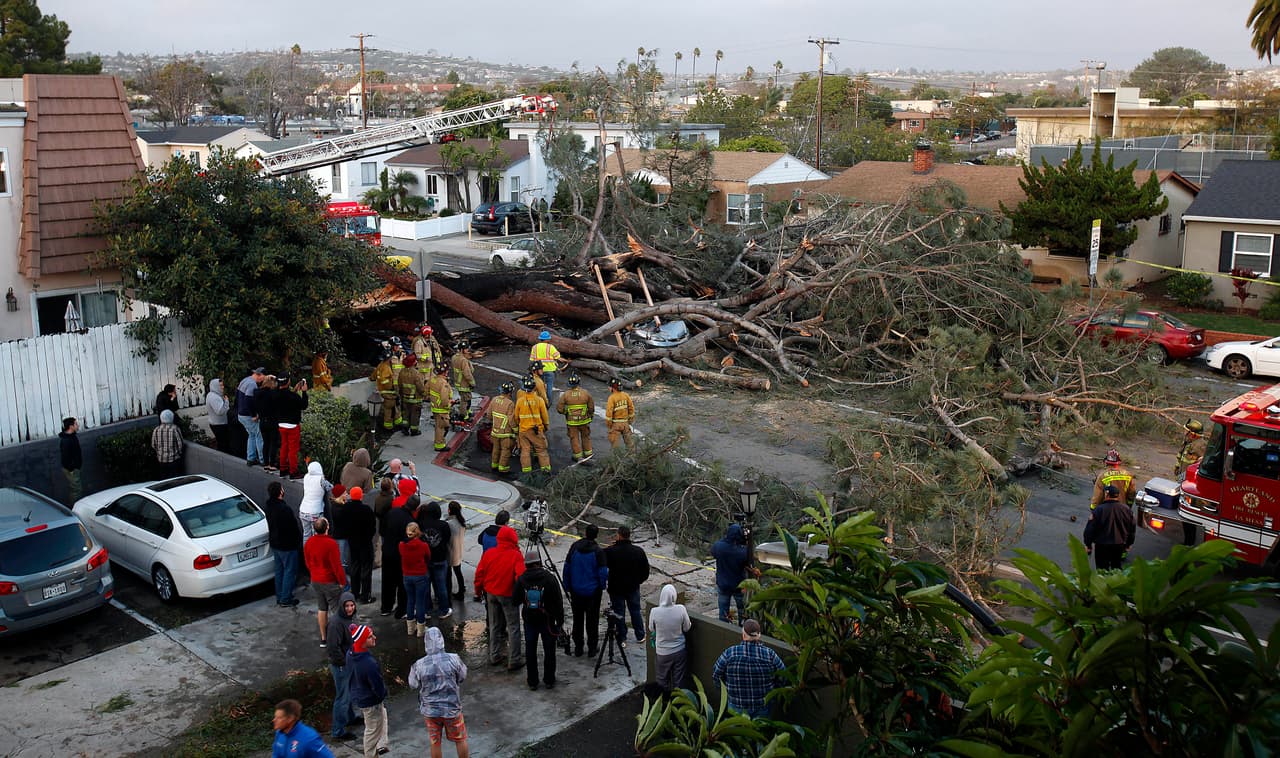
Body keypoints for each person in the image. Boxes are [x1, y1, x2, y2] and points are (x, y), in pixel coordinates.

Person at [409, 626, 471, 758]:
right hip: (452, 709)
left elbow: (413, 684)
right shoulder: (454, 659)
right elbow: (462, 676)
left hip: (430, 711)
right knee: (460, 739)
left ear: (426, 642)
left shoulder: (418, 665)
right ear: (441, 640)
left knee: (435, 743)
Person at [473, 525, 525, 669]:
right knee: (513, 627)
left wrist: (478, 591)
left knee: (494, 626)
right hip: (508, 595)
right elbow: (521, 577)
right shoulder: (516, 555)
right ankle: (514, 659)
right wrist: (522, 596)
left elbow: (479, 574)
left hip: (491, 594)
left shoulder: (489, 553)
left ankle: (494, 655)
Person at [712, 618, 785, 718]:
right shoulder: (770, 654)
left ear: (743, 635)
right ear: (759, 636)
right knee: (761, 728)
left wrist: (726, 691)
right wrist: (773, 691)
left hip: (736, 705)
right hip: (762, 706)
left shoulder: (730, 653)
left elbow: (716, 675)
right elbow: (783, 675)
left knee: (737, 728)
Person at [515, 548, 564, 691]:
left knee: (530, 651)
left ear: (526, 564)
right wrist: (560, 621)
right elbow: (558, 601)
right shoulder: (550, 578)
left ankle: (532, 682)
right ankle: (549, 680)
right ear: (539, 562)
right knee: (549, 651)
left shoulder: (521, 579)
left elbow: (515, 600)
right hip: (548, 620)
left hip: (529, 620)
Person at [562, 523, 608, 657]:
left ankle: (578, 647)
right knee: (592, 620)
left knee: (577, 619)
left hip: (576, 590)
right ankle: (592, 648)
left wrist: (567, 585)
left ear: (585, 533)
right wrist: (602, 586)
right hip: (592, 591)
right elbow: (603, 572)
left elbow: (567, 567)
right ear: (596, 535)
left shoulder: (574, 547)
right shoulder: (598, 551)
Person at [347, 625, 390, 757]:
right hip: (371, 701)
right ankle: (372, 753)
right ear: (362, 641)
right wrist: (383, 694)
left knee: (382, 716)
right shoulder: (369, 663)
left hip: (360, 695)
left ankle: (382, 744)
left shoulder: (350, 654)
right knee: (372, 731)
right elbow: (377, 686)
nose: (374, 637)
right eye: (370, 637)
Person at [304, 517, 347, 648]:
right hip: (329, 581)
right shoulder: (330, 544)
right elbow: (336, 566)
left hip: (316, 580)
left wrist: (314, 573)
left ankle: (324, 638)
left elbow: (307, 562)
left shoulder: (309, 542)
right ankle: (340, 638)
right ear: (327, 527)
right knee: (338, 611)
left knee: (322, 608)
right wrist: (342, 581)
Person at [604, 525, 650, 644]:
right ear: (629, 535)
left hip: (616, 588)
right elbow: (646, 571)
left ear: (619, 535)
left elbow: (601, 565)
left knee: (619, 613)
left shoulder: (610, 551)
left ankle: (622, 638)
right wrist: (638, 581)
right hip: (633, 587)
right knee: (635, 611)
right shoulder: (638, 551)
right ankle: (640, 635)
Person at [325, 592, 360, 742]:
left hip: (349, 662)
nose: (350, 608)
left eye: (352, 605)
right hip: (341, 665)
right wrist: (343, 662)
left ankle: (350, 718)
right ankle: (338, 731)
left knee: (349, 693)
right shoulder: (336, 623)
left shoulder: (349, 618)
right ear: (341, 606)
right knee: (342, 698)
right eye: (347, 606)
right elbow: (333, 648)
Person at [381, 479, 417, 618]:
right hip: (400, 555)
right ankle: (401, 610)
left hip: (387, 551)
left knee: (387, 581)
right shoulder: (409, 521)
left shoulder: (392, 512)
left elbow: (382, 531)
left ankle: (386, 607)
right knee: (402, 583)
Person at [648, 584, 692, 694]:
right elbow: (687, 628)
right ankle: (677, 700)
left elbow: (651, 629)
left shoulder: (654, 611)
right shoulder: (681, 609)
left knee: (662, 680)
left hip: (662, 652)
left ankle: (664, 700)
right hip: (679, 650)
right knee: (679, 680)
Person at [264, 481, 302, 607]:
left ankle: (280, 596)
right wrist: (297, 541)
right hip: (287, 545)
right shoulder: (284, 509)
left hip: (275, 544)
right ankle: (285, 598)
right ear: (280, 492)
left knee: (279, 570)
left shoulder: (268, 507)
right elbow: (293, 527)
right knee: (289, 571)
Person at [1084, 484, 1136, 570]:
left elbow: (1090, 529)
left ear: (1106, 494)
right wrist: (1129, 544)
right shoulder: (1126, 510)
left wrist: (1088, 545)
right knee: (1116, 568)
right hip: (1119, 545)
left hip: (1102, 545)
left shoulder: (1099, 509)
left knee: (1102, 570)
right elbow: (1132, 529)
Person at [418, 501, 454, 620]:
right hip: (440, 558)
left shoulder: (421, 524)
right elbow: (447, 538)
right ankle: (444, 609)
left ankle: (427, 610)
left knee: (425, 586)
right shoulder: (444, 525)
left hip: (425, 560)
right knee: (441, 586)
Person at [343, 487, 377, 604]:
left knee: (355, 566)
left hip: (352, 542)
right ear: (361, 496)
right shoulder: (366, 510)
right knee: (366, 568)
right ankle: (365, 595)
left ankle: (355, 592)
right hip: (365, 542)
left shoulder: (346, 508)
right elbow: (372, 526)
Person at [711, 523, 750, 624]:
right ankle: (742, 628)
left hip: (723, 584)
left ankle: (724, 628)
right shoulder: (743, 552)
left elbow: (714, 551)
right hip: (739, 585)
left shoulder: (718, 547)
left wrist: (727, 539)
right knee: (742, 610)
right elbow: (749, 563)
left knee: (723, 612)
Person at [271, 698, 336, 758]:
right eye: (275, 717)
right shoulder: (280, 733)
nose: (274, 720)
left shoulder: (309, 739)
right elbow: (276, 755)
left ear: (290, 718)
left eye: (279, 718)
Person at [401, 522, 432, 637]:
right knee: (420, 602)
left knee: (410, 600)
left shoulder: (402, 545)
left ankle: (410, 628)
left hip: (407, 576)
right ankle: (420, 629)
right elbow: (428, 557)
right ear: (418, 531)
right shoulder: (423, 545)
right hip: (420, 575)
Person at [515, 375, 551, 474]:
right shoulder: (539, 400)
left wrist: (519, 427)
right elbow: (545, 417)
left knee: (525, 450)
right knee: (541, 450)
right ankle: (546, 471)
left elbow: (516, 417)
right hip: (536, 430)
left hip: (523, 430)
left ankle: (526, 473)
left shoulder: (520, 401)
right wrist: (546, 427)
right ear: (534, 388)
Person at [275, 375, 309, 478]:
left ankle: (283, 469)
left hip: (281, 424)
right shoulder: (293, 396)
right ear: (288, 381)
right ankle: (293, 472)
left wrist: (294, 391)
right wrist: (304, 392)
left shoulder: (275, 394)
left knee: (284, 447)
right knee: (293, 450)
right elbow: (304, 405)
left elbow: (286, 398)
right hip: (293, 426)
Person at [556, 373, 595, 462]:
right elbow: (591, 408)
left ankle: (578, 456)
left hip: (572, 422)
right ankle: (588, 454)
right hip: (584, 421)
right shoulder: (586, 393)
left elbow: (559, 409)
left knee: (574, 439)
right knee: (586, 437)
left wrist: (566, 413)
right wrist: (590, 416)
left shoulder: (565, 395)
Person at [236, 367, 266, 465]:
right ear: (259, 375)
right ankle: (263, 460)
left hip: (241, 414)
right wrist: (253, 415)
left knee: (252, 435)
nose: (262, 381)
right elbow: (248, 400)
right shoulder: (252, 384)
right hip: (247, 415)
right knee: (259, 435)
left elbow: (237, 396)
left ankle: (251, 458)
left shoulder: (245, 380)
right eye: (263, 378)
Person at [486, 382, 518, 473]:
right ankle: (503, 469)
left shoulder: (494, 399)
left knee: (495, 449)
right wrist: (516, 430)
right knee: (505, 451)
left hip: (495, 432)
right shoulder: (510, 403)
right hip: (505, 434)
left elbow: (489, 415)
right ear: (510, 392)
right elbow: (511, 420)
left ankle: (494, 465)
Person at [299, 461, 332, 542]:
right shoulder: (321, 480)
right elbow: (330, 487)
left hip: (303, 511)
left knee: (306, 534)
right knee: (317, 536)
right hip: (315, 512)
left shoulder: (306, 477)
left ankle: (306, 550)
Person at [530, 330, 567, 399]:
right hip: (550, 370)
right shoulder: (550, 347)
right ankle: (548, 402)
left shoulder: (534, 347)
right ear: (546, 339)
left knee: (539, 387)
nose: (550, 339)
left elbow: (532, 360)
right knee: (549, 387)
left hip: (538, 371)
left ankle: (540, 401)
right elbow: (558, 357)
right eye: (549, 338)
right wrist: (567, 361)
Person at [256, 376, 281, 473]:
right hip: (272, 421)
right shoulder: (272, 394)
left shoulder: (258, 393)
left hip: (262, 421)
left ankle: (266, 463)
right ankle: (272, 464)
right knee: (273, 443)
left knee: (266, 443)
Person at [399, 353, 427, 436]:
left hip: (405, 398)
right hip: (415, 399)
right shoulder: (416, 373)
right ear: (413, 362)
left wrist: (401, 395)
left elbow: (400, 385)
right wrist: (424, 394)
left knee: (406, 413)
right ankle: (414, 430)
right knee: (415, 415)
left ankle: (405, 428)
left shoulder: (402, 372)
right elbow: (420, 387)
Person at [428, 363, 454, 451]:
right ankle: (439, 445)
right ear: (444, 372)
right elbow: (444, 399)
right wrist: (449, 405)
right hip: (441, 410)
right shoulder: (443, 383)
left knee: (438, 425)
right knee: (442, 427)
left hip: (435, 407)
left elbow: (426, 391)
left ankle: (437, 440)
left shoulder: (432, 379)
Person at [151, 409, 184, 477]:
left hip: (161, 460)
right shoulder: (175, 428)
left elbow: (153, 445)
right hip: (174, 460)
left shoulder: (156, 429)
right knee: (175, 479)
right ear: (171, 417)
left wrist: (159, 453)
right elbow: (180, 444)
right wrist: (178, 453)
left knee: (165, 479)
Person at [605, 378, 636, 450]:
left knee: (615, 445)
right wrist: (630, 420)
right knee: (630, 443)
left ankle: (617, 456)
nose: (608, 388)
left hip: (615, 425)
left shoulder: (611, 398)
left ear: (613, 388)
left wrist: (609, 425)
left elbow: (609, 414)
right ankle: (632, 455)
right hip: (625, 424)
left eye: (609, 386)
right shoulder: (626, 395)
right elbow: (631, 408)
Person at [371, 352, 397, 432]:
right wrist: (391, 387)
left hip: (382, 391)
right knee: (389, 410)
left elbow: (374, 376)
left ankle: (391, 425)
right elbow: (384, 380)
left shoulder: (380, 365)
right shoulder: (386, 368)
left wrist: (371, 378)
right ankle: (389, 427)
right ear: (389, 359)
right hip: (388, 392)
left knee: (389, 409)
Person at [446, 502, 468, 598]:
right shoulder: (461, 523)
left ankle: (448, 592)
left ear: (450, 510)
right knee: (458, 572)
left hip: (450, 551)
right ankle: (461, 589)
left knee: (448, 574)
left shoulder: (449, 524)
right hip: (458, 551)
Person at [59, 417, 82, 504]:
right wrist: (71, 469)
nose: (78, 425)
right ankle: (75, 507)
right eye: (76, 424)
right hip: (71, 469)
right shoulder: (66, 441)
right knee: (76, 490)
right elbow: (65, 458)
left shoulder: (72, 436)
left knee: (76, 489)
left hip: (75, 467)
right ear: (71, 426)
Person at [451, 341, 476, 420]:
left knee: (465, 398)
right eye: (466, 349)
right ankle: (464, 415)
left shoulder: (454, 357)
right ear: (461, 350)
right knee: (465, 400)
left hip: (458, 382)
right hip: (464, 383)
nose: (468, 350)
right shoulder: (463, 360)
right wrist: (472, 383)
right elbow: (467, 374)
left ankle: (467, 411)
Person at [206, 379, 231, 452]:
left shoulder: (213, 395)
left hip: (217, 423)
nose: (222, 387)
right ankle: (223, 458)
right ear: (214, 386)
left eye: (222, 385)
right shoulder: (214, 397)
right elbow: (220, 411)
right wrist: (226, 401)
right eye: (220, 385)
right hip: (219, 425)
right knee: (223, 445)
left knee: (222, 444)